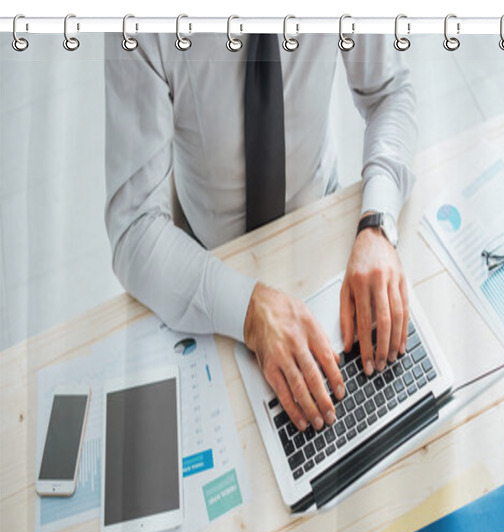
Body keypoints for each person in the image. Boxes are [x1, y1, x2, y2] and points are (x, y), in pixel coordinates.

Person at [104, 32, 416, 434]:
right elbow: (133, 227)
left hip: (323, 229)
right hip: (211, 266)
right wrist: (249, 312)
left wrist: (377, 222)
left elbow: (389, 93)